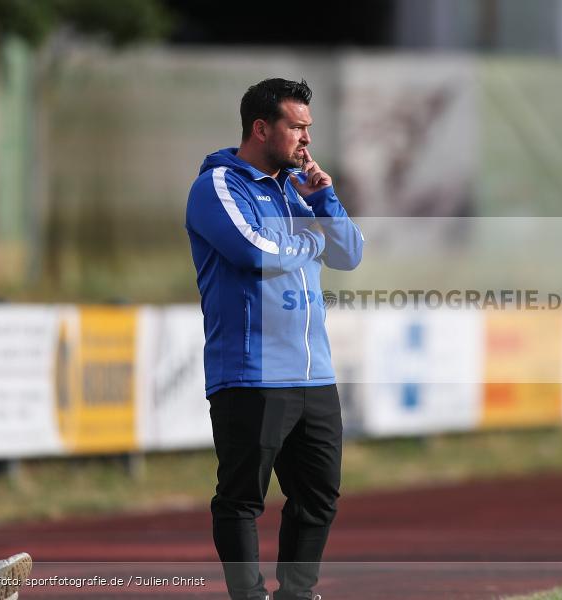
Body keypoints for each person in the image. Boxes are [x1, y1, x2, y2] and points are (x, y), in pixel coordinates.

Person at [186, 78, 364, 599]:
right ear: (262, 128)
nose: (306, 139)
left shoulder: (296, 188)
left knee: (319, 496)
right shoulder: (218, 185)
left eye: (310, 128)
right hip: (251, 372)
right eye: (296, 127)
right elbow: (256, 254)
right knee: (242, 499)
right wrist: (312, 239)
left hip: (314, 373)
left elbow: (349, 254)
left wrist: (326, 198)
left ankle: (297, 593)